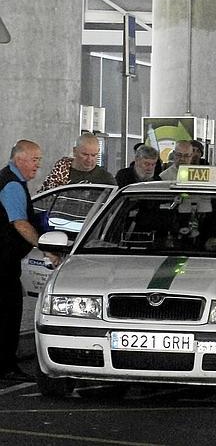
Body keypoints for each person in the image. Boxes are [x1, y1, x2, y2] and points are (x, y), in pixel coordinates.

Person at [0, 140, 59, 381]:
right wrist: (46, 248)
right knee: (8, 313)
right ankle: (5, 367)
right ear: (19, 159)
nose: (38, 165)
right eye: (35, 159)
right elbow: (20, 223)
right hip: (2, 263)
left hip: (6, 260)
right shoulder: (12, 185)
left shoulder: (9, 179)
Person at [37, 132, 115, 192]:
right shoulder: (60, 170)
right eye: (85, 154)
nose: (89, 159)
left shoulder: (106, 179)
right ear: (75, 151)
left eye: (94, 155)